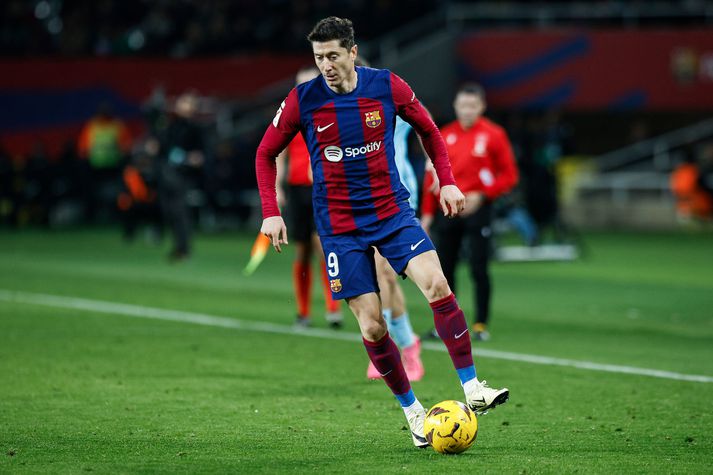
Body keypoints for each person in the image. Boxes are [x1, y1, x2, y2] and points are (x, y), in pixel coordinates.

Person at [256, 17, 509, 448]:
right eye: (319, 58)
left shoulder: (387, 86)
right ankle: (413, 412)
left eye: (333, 55)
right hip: (339, 228)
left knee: (437, 283)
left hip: (392, 212)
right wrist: (271, 211)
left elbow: (430, 130)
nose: (326, 65)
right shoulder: (303, 99)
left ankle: (472, 387)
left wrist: (446, 180)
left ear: (353, 53)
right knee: (373, 326)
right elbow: (264, 153)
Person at [421, 83, 518, 341]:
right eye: (463, 105)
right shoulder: (444, 135)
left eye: (472, 106)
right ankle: (448, 326)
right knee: (445, 271)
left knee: (478, 268)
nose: (467, 110)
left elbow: (509, 175)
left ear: (482, 107)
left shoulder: (494, 135)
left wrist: (484, 194)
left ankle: (480, 324)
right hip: (448, 211)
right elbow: (432, 177)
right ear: (455, 106)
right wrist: (427, 215)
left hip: (479, 211)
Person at [276, 66, 343, 329]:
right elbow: (279, 153)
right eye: (298, 84)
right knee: (302, 252)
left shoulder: (330, 113)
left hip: (324, 189)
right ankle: (303, 312)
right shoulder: (289, 115)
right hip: (297, 190)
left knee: (324, 248)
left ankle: (333, 308)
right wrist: (278, 187)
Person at [158, 91, 205, 261]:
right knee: (169, 211)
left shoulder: (196, 128)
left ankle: (184, 248)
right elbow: (163, 147)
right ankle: (178, 246)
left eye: (188, 103)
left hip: (182, 176)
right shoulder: (170, 125)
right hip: (167, 173)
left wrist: (192, 159)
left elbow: (201, 155)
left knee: (180, 212)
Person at [77, 102, 132, 222]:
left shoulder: (117, 126)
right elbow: (82, 149)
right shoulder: (91, 126)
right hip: (94, 168)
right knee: (93, 195)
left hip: (114, 167)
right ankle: (92, 217)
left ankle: (116, 215)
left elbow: (127, 147)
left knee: (117, 193)